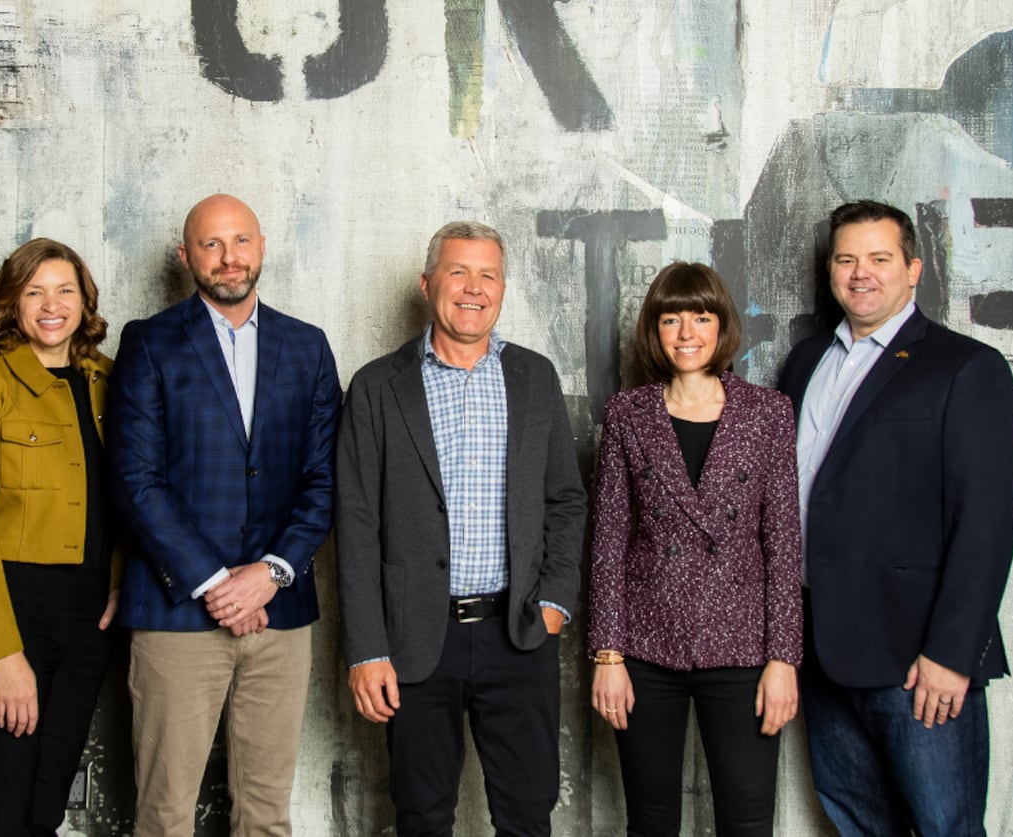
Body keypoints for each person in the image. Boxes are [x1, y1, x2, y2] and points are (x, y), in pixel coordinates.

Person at [777, 200, 1013, 836]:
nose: (861, 273)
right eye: (847, 259)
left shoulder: (965, 367)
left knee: (945, 828)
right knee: (856, 824)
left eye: (879, 258)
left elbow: (985, 523)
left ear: (913, 270)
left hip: (916, 661)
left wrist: (952, 653)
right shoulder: (805, 363)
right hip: (821, 650)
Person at [336, 220, 586, 836]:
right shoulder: (376, 387)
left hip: (519, 631)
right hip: (416, 639)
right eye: (458, 272)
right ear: (427, 285)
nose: (474, 288)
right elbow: (356, 525)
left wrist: (554, 603)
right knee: (422, 817)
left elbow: (565, 499)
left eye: (488, 275)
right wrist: (367, 649)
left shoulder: (535, 378)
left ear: (501, 289)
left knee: (527, 817)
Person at [108, 194, 341, 836]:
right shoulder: (149, 343)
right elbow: (136, 480)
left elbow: (324, 480)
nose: (228, 257)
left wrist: (270, 572)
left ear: (261, 247)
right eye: (210, 244)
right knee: (165, 814)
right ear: (185, 256)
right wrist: (217, 584)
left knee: (266, 815)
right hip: (177, 613)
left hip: (280, 613)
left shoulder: (308, 346)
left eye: (240, 241)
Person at [586, 262, 802, 836]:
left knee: (747, 822)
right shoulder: (627, 414)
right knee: (651, 821)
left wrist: (784, 659)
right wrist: (608, 656)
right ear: (654, 330)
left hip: (744, 649)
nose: (686, 333)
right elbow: (607, 542)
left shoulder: (768, 413)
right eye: (671, 319)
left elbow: (784, 543)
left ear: (721, 325)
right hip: (645, 648)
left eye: (701, 318)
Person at [0, 238, 120, 835]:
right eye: (34, 291)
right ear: (11, 302)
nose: (51, 305)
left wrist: (119, 579)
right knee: (0, 803)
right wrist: (2, 653)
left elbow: (130, 491)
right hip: (14, 609)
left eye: (65, 290)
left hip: (88, 619)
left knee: (46, 803)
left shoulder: (106, 380)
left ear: (84, 301)